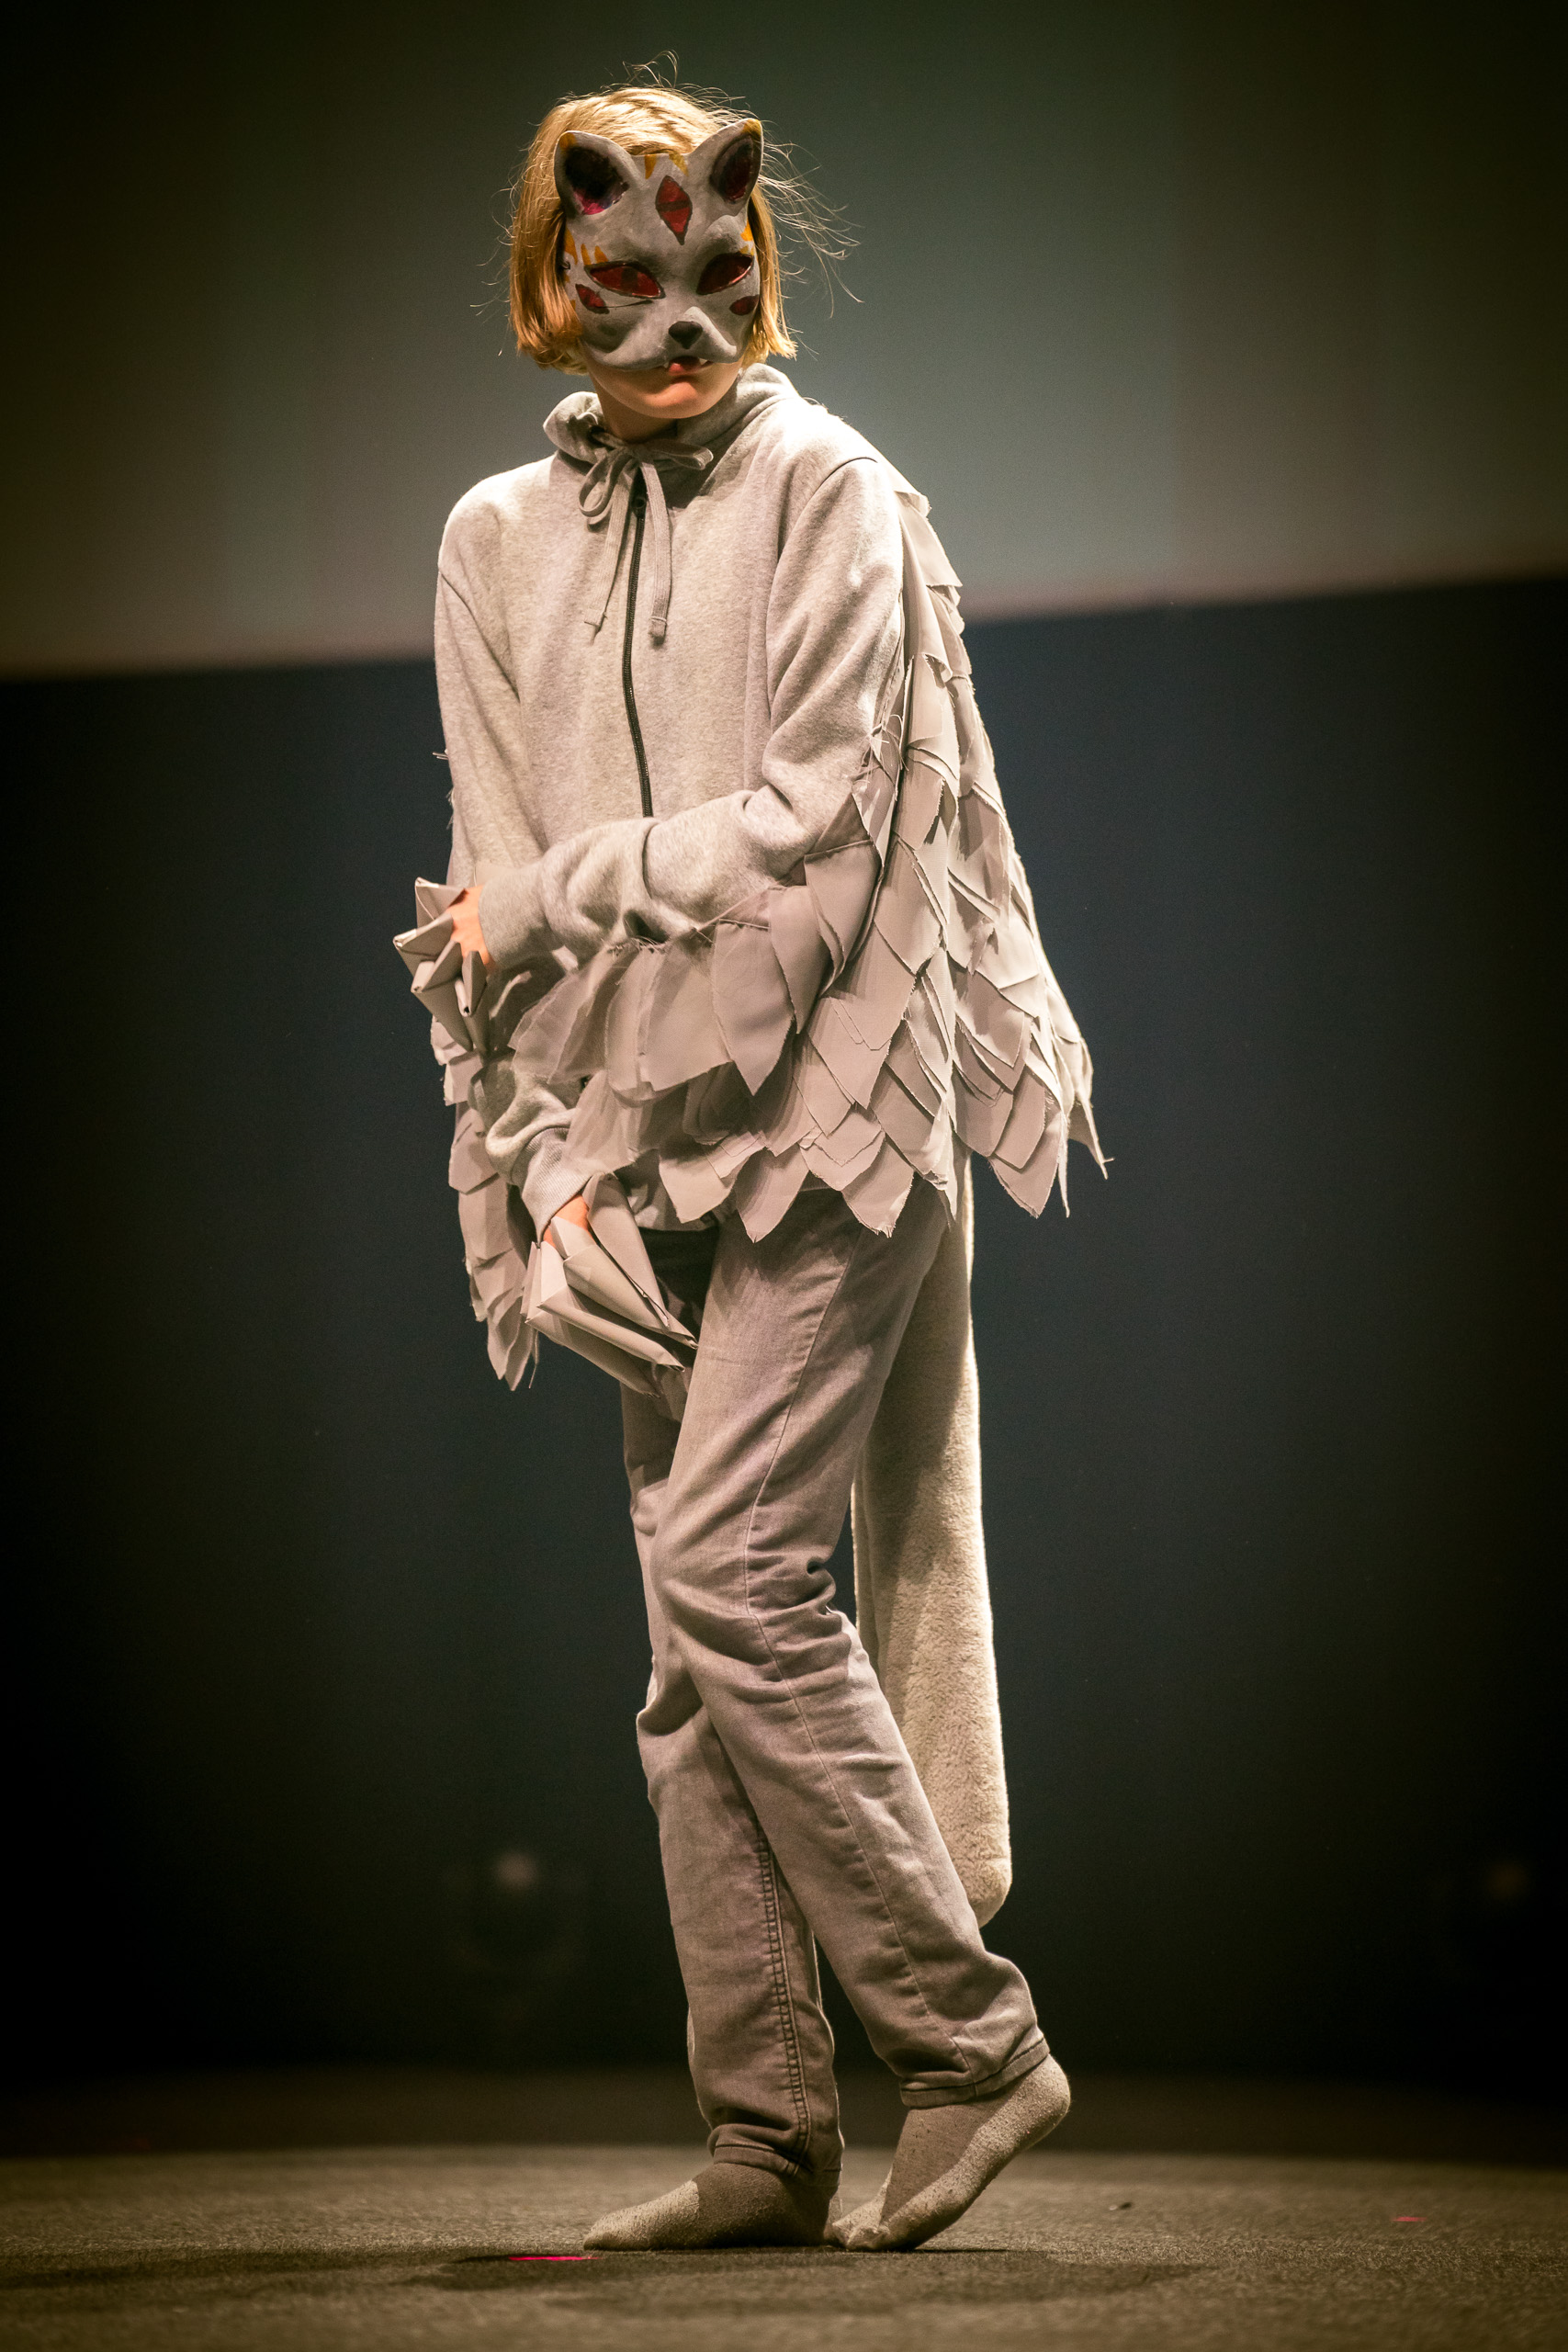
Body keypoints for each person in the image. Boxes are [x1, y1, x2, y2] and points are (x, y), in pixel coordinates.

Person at [421, 77, 1101, 2252]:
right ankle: (764, 2132)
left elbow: (815, 829)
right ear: (553, 282)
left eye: (718, 270)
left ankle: (973, 2043)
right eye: (624, 276)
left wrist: (553, 902)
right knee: (686, 1658)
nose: (681, 322)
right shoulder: (490, 540)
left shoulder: (835, 493)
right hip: (640, 1136)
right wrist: (540, 1167)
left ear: (758, 265)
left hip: (840, 1097)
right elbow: (482, 879)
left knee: (734, 1572)